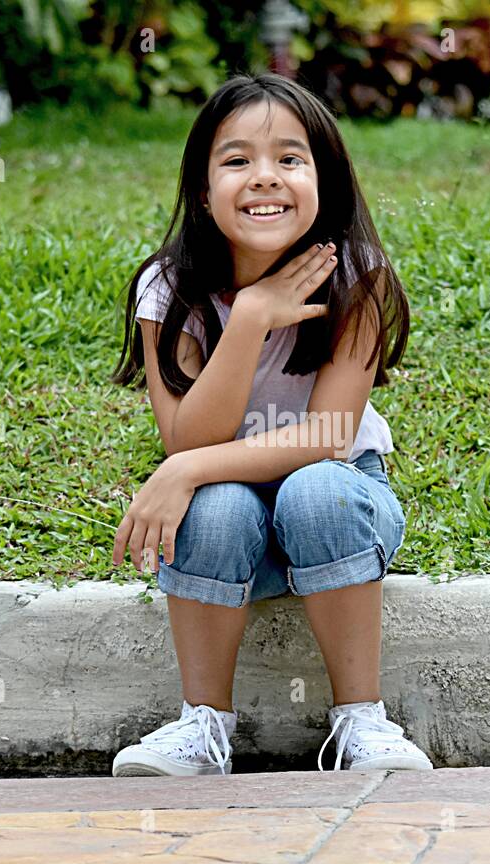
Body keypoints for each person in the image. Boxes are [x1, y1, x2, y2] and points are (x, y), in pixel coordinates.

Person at [107, 72, 431, 776]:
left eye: (289, 158)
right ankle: (202, 726)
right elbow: (189, 437)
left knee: (316, 489)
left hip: (338, 503)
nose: (264, 177)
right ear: (203, 191)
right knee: (215, 505)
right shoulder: (169, 289)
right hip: (233, 522)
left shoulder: (358, 276)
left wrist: (186, 469)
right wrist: (251, 317)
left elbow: (327, 437)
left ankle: (363, 720)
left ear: (324, 182)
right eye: (237, 160)